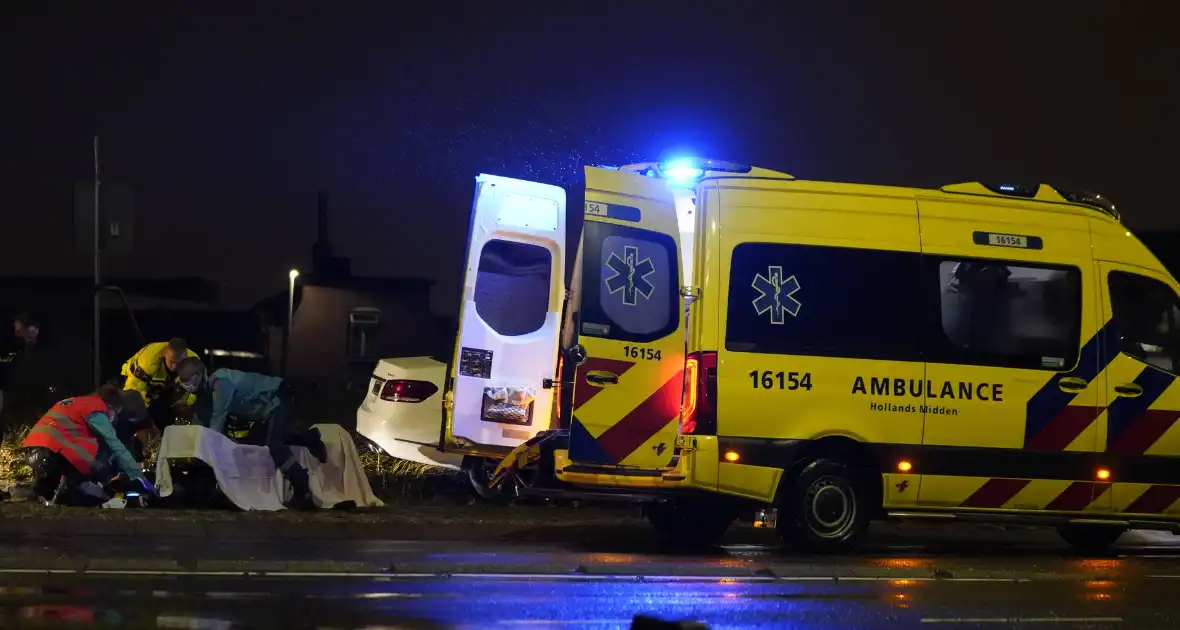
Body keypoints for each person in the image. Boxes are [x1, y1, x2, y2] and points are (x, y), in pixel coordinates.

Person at [175, 358, 325, 509]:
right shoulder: (208, 389)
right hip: (268, 407)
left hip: (278, 397)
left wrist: (203, 446)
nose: (184, 385)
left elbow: (216, 422)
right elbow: (202, 417)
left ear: (197, 375)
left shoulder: (221, 383)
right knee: (271, 438)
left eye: (186, 380)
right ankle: (310, 437)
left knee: (275, 446)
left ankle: (302, 487)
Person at [22, 384, 157, 506]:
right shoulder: (97, 410)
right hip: (52, 452)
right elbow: (116, 446)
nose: (114, 418)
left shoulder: (79, 402)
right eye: (115, 412)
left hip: (33, 449)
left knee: (49, 490)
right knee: (85, 491)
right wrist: (139, 477)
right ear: (110, 406)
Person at [121, 338, 200, 430]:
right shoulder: (147, 362)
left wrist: (185, 404)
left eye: (178, 363)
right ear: (164, 354)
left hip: (168, 386)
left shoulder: (193, 364)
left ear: (185, 357)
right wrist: (144, 419)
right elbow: (135, 392)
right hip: (142, 383)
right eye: (171, 362)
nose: (174, 367)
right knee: (136, 415)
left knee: (174, 413)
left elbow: (193, 390)